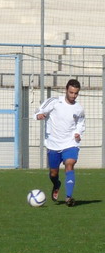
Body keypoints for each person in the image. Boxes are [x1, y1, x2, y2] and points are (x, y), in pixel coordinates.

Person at [35, 78, 85, 207]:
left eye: (76, 93)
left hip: (70, 143)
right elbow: (39, 111)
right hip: (53, 144)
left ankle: (69, 198)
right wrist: (39, 116)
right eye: (71, 92)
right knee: (53, 173)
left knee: (70, 164)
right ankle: (56, 184)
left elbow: (80, 123)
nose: (73, 96)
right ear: (66, 91)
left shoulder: (79, 108)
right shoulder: (55, 102)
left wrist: (78, 132)